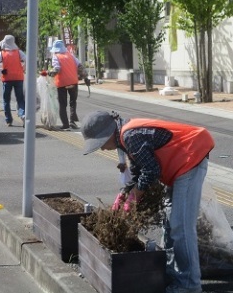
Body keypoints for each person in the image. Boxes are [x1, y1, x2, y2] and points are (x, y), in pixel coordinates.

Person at [80, 110, 215, 293]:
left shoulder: (130, 136)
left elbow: (152, 170)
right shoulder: (124, 136)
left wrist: (135, 195)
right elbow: (138, 169)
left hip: (190, 158)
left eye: (101, 143)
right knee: (170, 221)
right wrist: (124, 192)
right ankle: (172, 272)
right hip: (179, 164)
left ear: (109, 133)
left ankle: (190, 285)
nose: (102, 148)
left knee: (181, 226)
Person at [48, 40, 86, 130]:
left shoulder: (56, 56)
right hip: (73, 82)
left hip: (62, 83)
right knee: (73, 102)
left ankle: (65, 124)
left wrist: (50, 73)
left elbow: (57, 69)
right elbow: (80, 66)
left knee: (63, 104)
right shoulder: (70, 55)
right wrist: (85, 77)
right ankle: (72, 121)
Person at [0, 34, 26, 126]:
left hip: (7, 79)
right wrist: (22, 68)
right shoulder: (19, 52)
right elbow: (26, 60)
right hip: (19, 78)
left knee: (6, 100)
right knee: (20, 99)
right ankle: (23, 114)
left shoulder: (2, 53)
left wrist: (1, 70)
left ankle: (8, 120)